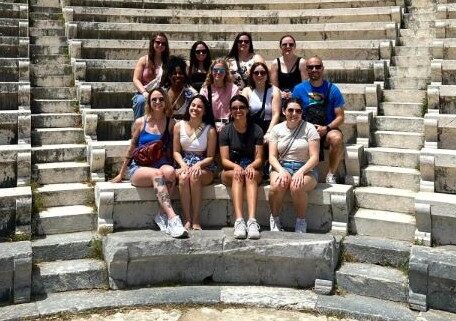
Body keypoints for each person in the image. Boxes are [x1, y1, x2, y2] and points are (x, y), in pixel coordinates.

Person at [111, 87, 187, 238]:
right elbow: (132, 148)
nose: (158, 102)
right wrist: (121, 173)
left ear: (166, 101)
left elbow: (176, 148)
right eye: (154, 99)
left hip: (161, 163)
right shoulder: (140, 122)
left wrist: (182, 166)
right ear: (149, 102)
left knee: (170, 172)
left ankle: (161, 214)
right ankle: (173, 218)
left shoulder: (171, 123)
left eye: (161, 99)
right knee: (158, 174)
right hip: (139, 168)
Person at [268, 98, 320, 233]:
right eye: (290, 110)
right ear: (284, 111)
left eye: (298, 111)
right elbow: (272, 157)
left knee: (296, 186)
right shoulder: (276, 129)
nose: (294, 113)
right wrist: (281, 170)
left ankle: (301, 221)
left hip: (306, 168)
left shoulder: (310, 128)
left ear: (302, 112)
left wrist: (301, 172)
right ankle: (275, 219)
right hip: (282, 165)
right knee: (277, 185)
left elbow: (314, 157)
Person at [292, 56, 345, 184]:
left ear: (322, 68)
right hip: (305, 129)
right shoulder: (299, 89)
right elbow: (293, 111)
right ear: (306, 70)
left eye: (317, 67)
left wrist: (326, 128)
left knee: (336, 138)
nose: (314, 69)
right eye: (310, 67)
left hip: (325, 129)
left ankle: (331, 174)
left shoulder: (332, 89)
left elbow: (340, 117)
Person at [219, 95, 263, 239]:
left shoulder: (256, 130)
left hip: (251, 168)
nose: (238, 110)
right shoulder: (225, 131)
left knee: (249, 175)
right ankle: (239, 221)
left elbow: (259, 159)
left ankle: (251, 221)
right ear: (230, 111)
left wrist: (250, 166)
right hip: (231, 170)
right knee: (238, 175)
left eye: (242, 107)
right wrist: (236, 167)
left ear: (247, 110)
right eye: (234, 108)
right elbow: (224, 160)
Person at [173, 95, 217, 230]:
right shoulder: (178, 126)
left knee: (194, 176)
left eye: (199, 107)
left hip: (204, 164)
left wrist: (198, 165)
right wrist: (183, 165)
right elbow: (176, 151)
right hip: (184, 162)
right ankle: (187, 218)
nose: (195, 109)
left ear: (204, 111)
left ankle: (196, 219)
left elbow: (210, 156)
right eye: (193, 105)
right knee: (184, 177)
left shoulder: (210, 130)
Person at [132, 32, 170, 119]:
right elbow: (136, 79)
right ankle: (138, 129)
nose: (160, 45)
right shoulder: (143, 60)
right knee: (141, 101)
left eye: (163, 43)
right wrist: (144, 92)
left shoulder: (168, 62)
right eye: (158, 42)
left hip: (162, 92)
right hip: (144, 92)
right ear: (152, 43)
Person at [241, 62, 281, 142]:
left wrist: (269, 132)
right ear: (252, 75)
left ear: (267, 75)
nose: (259, 75)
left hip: (269, 126)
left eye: (263, 73)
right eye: (256, 73)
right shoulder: (247, 91)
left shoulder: (274, 90)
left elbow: (276, 114)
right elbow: (243, 111)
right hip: (251, 128)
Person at [200, 58, 239, 132]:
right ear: (211, 71)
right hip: (209, 125)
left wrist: (224, 125)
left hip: (229, 125)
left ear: (226, 72)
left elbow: (234, 109)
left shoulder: (233, 89)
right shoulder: (205, 89)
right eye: (215, 70)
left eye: (221, 70)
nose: (218, 72)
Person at [270, 35, 307, 103]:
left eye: (291, 44)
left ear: (294, 46)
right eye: (284, 44)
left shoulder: (301, 62)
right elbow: (274, 87)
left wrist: (294, 94)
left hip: (297, 97)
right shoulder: (275, 63)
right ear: (280, 47)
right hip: (280, 97)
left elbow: (304, 85)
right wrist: (281, 94)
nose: (288, 46)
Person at [161, 56, 197, 120]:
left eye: (180, 73)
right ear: (169, 76)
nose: (178, 76)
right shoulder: (162, 92)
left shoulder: (192, 94)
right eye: (174, 73)